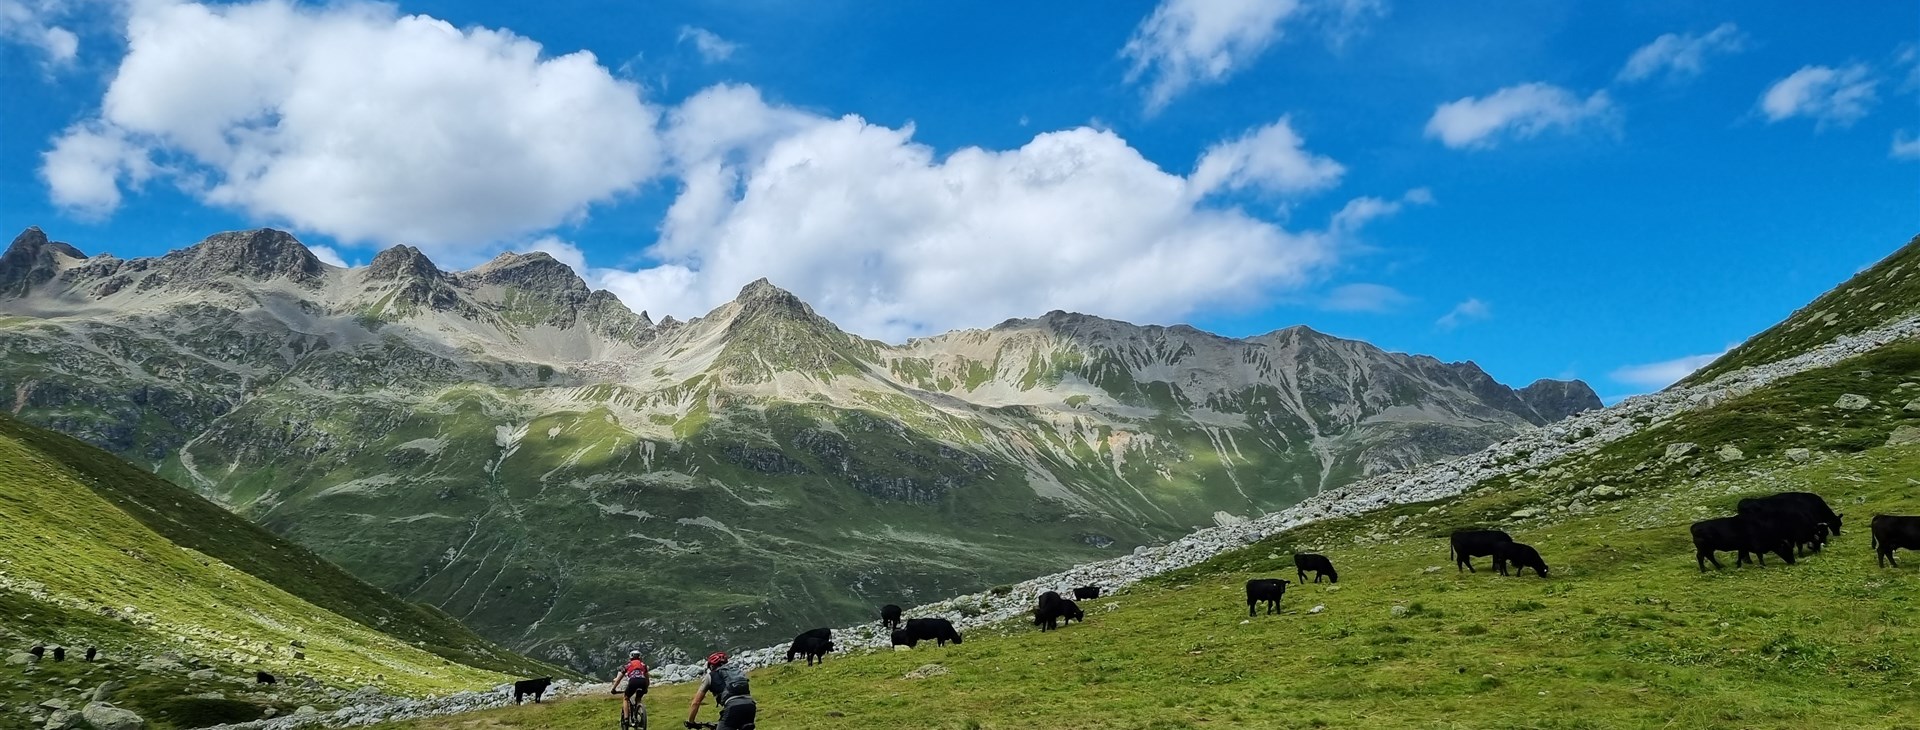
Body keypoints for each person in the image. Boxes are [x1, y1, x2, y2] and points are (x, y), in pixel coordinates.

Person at [685, 651, 755, 730]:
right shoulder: (736, 672)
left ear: (711, 666)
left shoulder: (710, 676)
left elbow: (696, 703)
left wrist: (691, 722)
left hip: (733, 707)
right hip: (750, 705)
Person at [611, 650, 650, 726]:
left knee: (625, 697)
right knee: (638, 699)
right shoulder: (644, 665)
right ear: (639, 657)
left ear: (631, 657)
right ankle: (641, 715)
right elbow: (647, 679)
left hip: (633, 681)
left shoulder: (627, 666)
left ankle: (626, 719)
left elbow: (618, 679)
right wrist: (646, 688)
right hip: (642, 682)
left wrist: (613, 689)